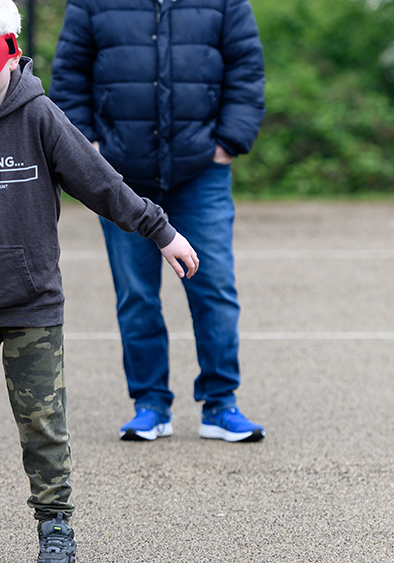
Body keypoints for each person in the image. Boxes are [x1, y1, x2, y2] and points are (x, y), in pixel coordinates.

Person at [0, 0, 200, 563]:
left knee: (43, 424)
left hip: (32, 303)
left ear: (9, 50)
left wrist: (161, 231)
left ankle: (56, 530)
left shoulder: (41, 117)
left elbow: (101, 184)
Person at [50, 0, 267, 443]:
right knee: (136, 294)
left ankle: (221, 403)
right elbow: (69, 75)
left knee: (215, 286)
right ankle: (150, 403)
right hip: (120, 176)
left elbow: (247, 70)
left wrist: (229, 141)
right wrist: (88, 147)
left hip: (201, 172)